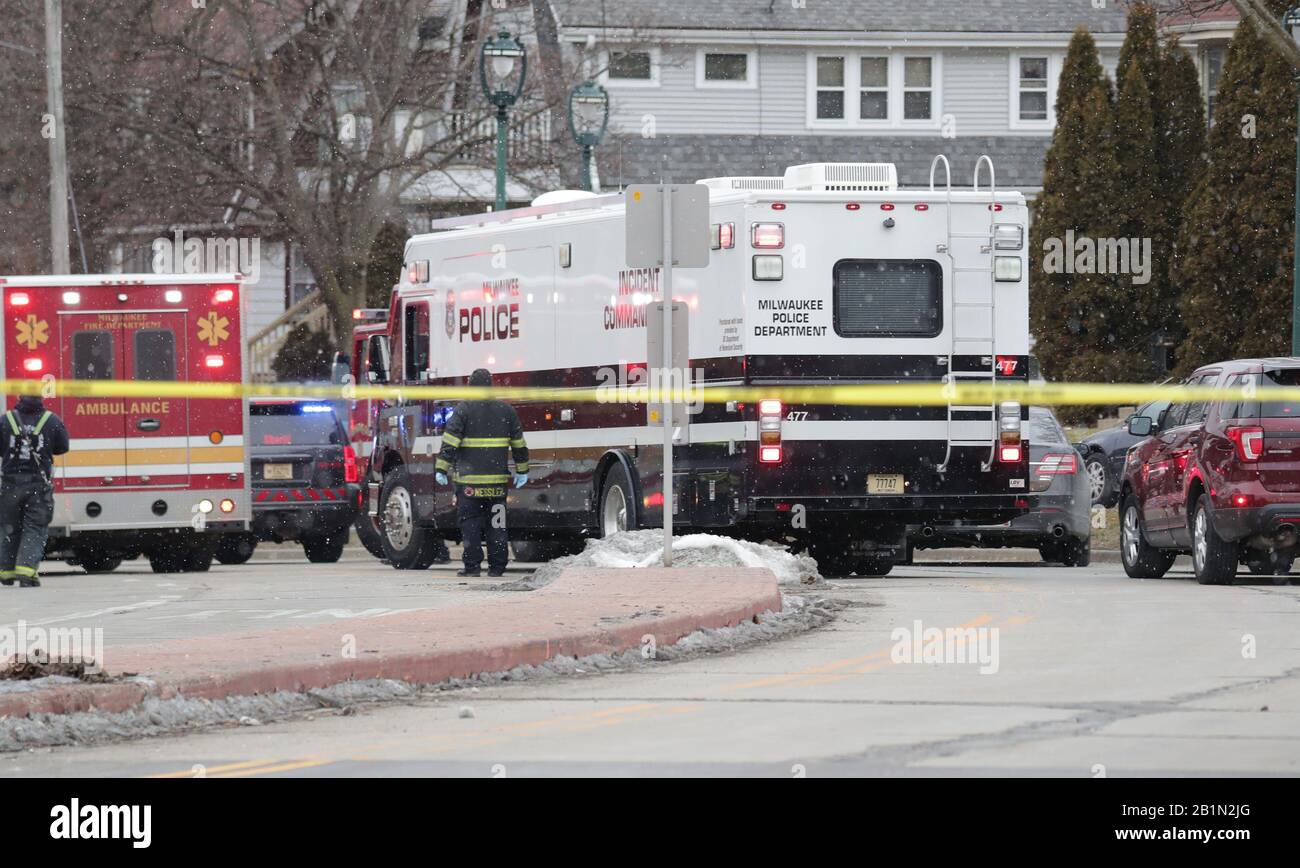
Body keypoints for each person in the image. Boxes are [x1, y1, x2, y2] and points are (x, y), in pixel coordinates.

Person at [435, 369, 528, 577]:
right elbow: (519, 444)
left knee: (471, 525)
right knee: (497, 525)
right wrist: (522, 470)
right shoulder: (506, 411)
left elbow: (450, 441)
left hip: (469, 483)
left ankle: (473, 567)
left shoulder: (463, 410)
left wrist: (441, 468)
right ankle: (497, 567)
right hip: (497, 483)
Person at [0, 395, 70, 588]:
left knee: (9, 527)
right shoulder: (52, 420)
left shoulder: (6, 420)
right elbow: (63, 447)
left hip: (9, 484)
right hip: (37, 485)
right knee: (35, 528)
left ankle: (6, 571)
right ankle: (26, 571)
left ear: (20, 398)